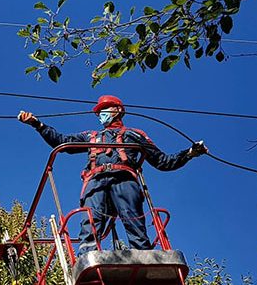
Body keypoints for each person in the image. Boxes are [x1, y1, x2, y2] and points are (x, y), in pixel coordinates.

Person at [18, 95, 208, 255]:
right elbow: (61, 141)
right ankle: (87, 257)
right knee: (91, 220)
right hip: (96, 182)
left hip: (124, 180)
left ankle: (143, 255)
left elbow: (163, 161)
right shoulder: (90, 136)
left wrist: (190, 153)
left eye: (104, 109)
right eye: (100, 112)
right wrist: (37, 124)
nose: (100, 114)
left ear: (117, 110)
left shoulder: (135, 134)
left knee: (133, 219)